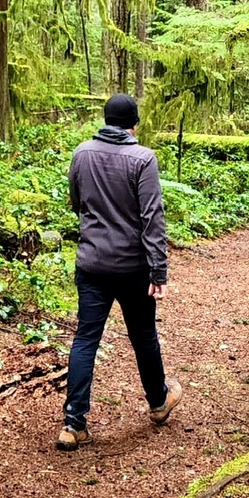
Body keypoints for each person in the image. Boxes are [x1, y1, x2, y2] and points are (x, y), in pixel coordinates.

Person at [57, 93, 182, 451]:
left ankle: (73, 423)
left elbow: (76, 202)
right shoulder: (143, 159)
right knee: (143, 335)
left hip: (92, 264)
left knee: (85, 340)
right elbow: (152, 219)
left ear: (105, 120)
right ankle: (158, 403)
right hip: (132, 267)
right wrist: (159, 272)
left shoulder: (82, 153)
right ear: (134, 124)